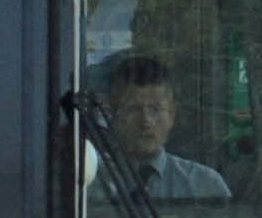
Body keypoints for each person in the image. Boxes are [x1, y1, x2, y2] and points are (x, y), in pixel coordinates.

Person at [87, 48, 229, 205]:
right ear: (112, 114)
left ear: (172, 114)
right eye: (133, 109)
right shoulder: (90, 182)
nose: (146, 121)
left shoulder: (204, 185)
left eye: (155, 109)